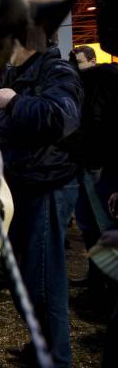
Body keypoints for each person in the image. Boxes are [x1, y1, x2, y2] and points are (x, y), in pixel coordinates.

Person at [0, 39, 84, 368]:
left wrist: (13, 102)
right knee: (23, 281)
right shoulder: (12, 73)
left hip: (46, 185)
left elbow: (62, 119)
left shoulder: (56, 71)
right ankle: (41, 349)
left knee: (44, 280)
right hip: (17, 187)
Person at [69, 45, 118, 289]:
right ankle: (97, 283)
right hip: (83, 163)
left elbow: (100, 124)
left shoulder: (104, 81)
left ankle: (109, 290)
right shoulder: (80, 87)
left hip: (98, 166)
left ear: (92, 60)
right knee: (88, 226)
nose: (75, 68)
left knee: (104, 227)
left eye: (78, 62)